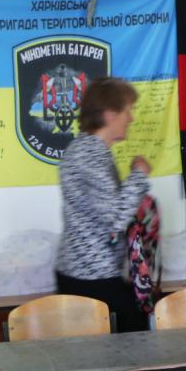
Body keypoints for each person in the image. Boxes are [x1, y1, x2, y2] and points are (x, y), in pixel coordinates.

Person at [55, 76, 152, 333]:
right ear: (110, 115)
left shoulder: (90, 150)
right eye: (127, 110)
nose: (131, 118)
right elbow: (115, 218)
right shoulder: (89, 154)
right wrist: (139, 175)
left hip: (90, 272)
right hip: (91, 276)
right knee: (134, 341)